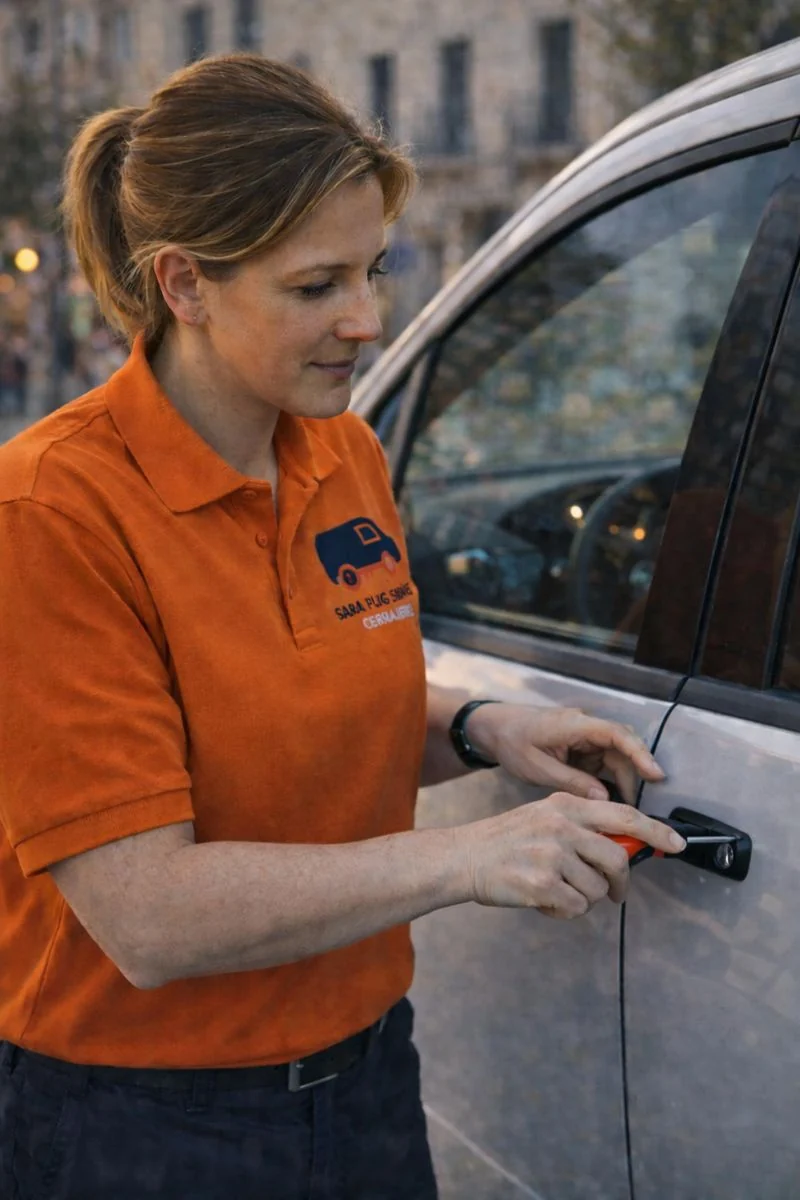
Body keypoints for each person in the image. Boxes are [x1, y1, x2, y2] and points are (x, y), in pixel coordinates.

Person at [0, 54, 684, 1200]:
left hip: (366, 1085)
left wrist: (478, 729)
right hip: (141, 1124)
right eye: (316, 286)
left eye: (372, 270)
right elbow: (145, 916)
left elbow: (294, 704)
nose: (366, 320)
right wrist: (465, 857)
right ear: (184, 284)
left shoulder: (341, 452)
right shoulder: (50, 510)